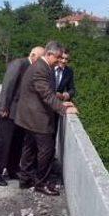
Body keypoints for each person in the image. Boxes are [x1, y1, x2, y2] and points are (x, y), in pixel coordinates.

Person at [15, 41, 78, 196]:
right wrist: (65, 109)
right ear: (49, 54)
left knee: (29, 148)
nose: (59, 60)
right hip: (37, 117)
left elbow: (46, 91)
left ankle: (25, 179)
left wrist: (62, 99)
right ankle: (40, 183)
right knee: (47, 150)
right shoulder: (41, 69)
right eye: (57, 57)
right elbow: (46, 95)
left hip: (29, 116)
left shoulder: (42, 67)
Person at [0, 46, 45, 186]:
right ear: (33, 55)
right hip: (8, 111)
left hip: (20, 114)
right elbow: (7, 86)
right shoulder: (19, 64)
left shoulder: (33, 67)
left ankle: (12, 169)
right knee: (3, 143)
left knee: (16, 143)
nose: (42, 61)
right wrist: (3, 107)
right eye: (40, 57)